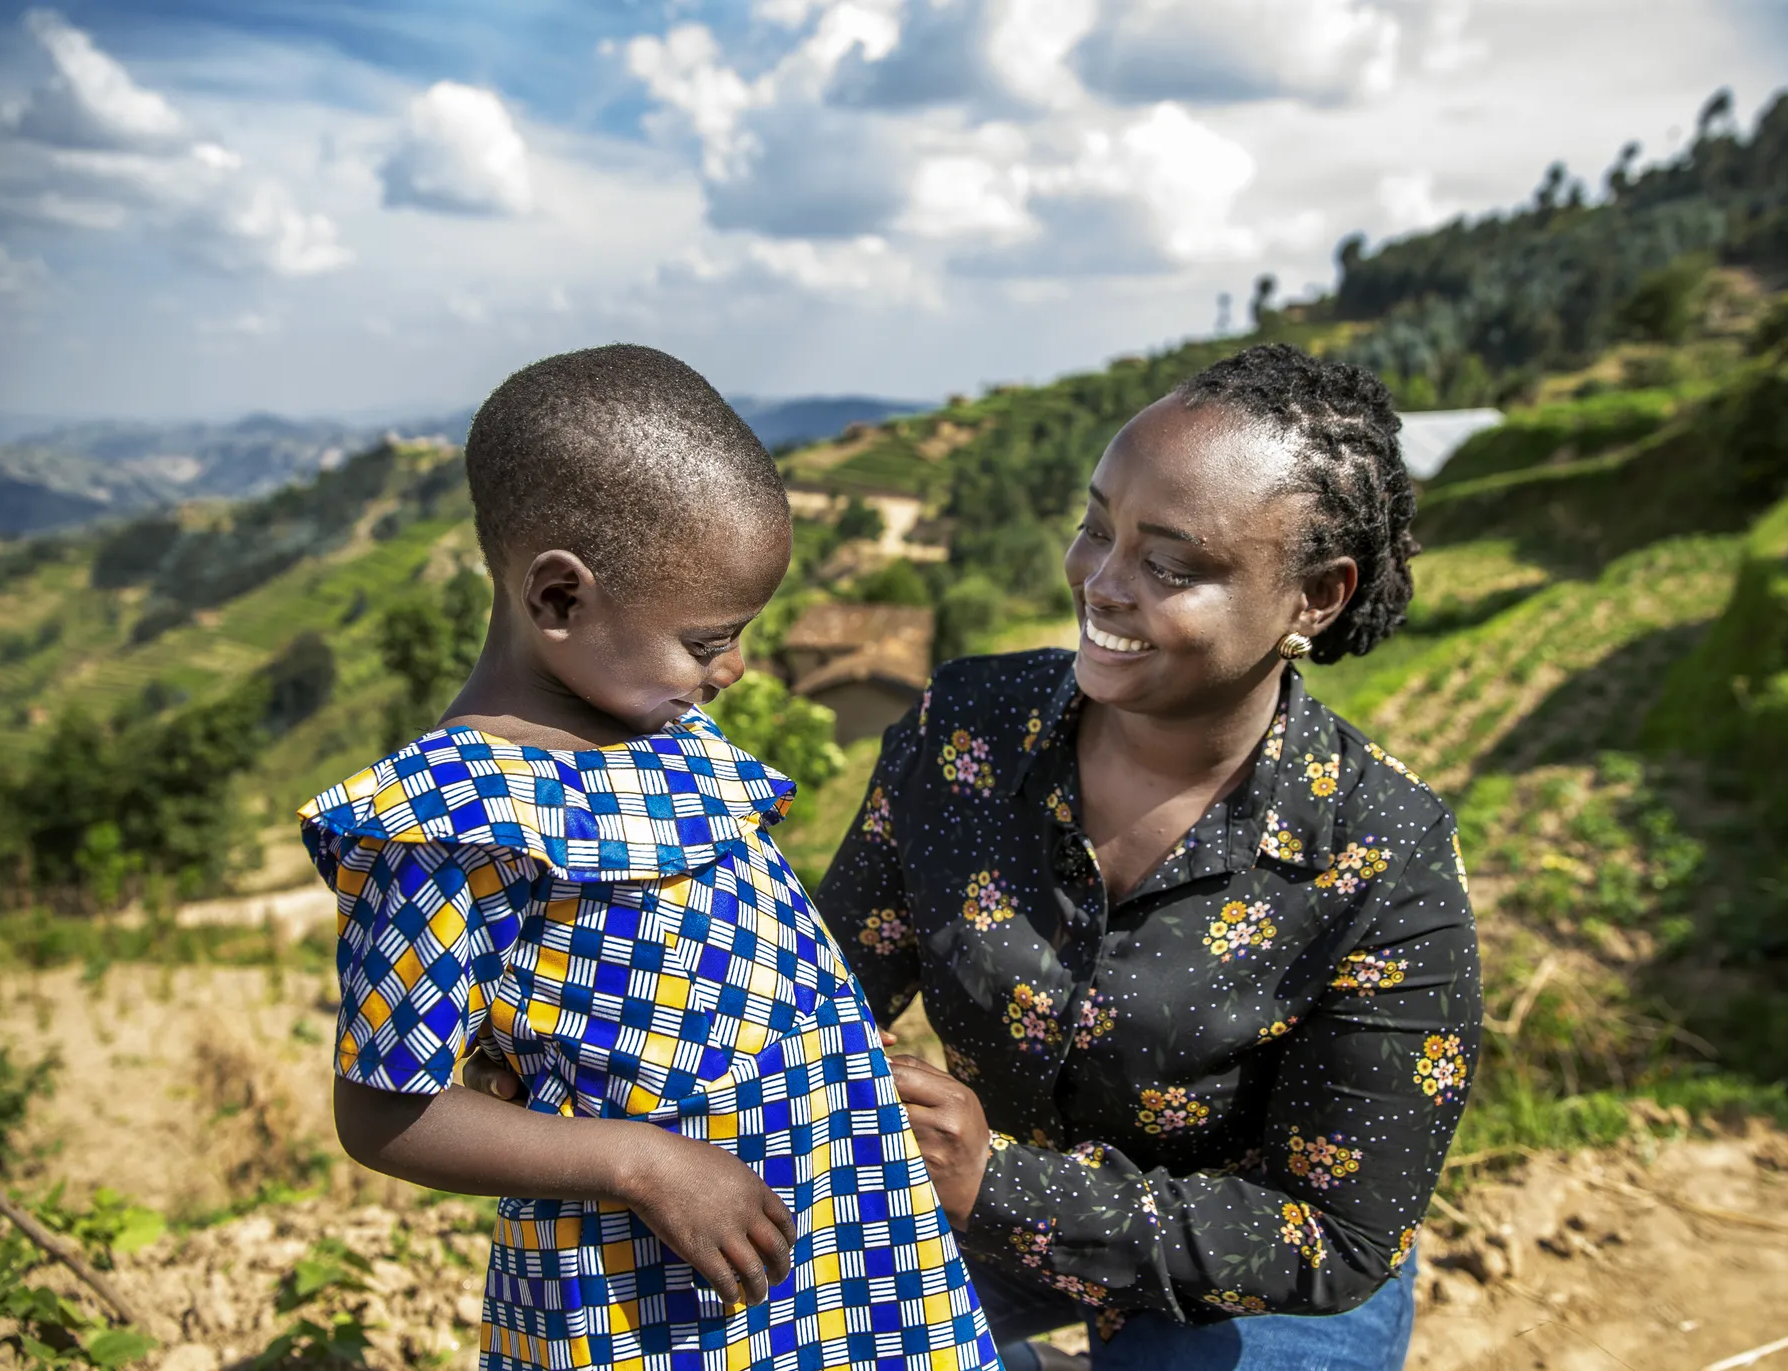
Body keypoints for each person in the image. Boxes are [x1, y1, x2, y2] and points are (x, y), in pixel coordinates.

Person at [301, 345, 999, 1371]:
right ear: (557, 601)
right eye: (708, 640)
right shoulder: (446, 822)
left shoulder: (658, 730)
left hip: (840, 1258)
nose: (735, 668)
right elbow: (381, 1114)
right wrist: (638, 1163)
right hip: (652, 1298)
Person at [815, 345, 1482, 1371]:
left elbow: (1338, 1236)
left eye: (1169, 565)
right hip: (982, 1231)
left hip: (1240, 1282)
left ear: (1314, 596)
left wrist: (1000, 1181)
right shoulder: (967, 734)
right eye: (1095, 529)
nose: (1102, 582)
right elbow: (821, 992)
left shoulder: (1381, 853)